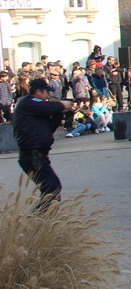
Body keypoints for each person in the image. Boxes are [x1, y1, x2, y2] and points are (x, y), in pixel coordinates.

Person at [14, 78, 74, 210]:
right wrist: (62, 105)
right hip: (32, 155)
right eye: (47, 92)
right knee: (51, 189)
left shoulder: (37, 108)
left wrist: (60, 114)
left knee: (54, 188)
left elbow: (49, 128)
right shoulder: (28, 103)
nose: (49, 95)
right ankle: (37, 222)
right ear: (38, 91)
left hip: (39, 155)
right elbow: (48, 107)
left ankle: (42, 222)